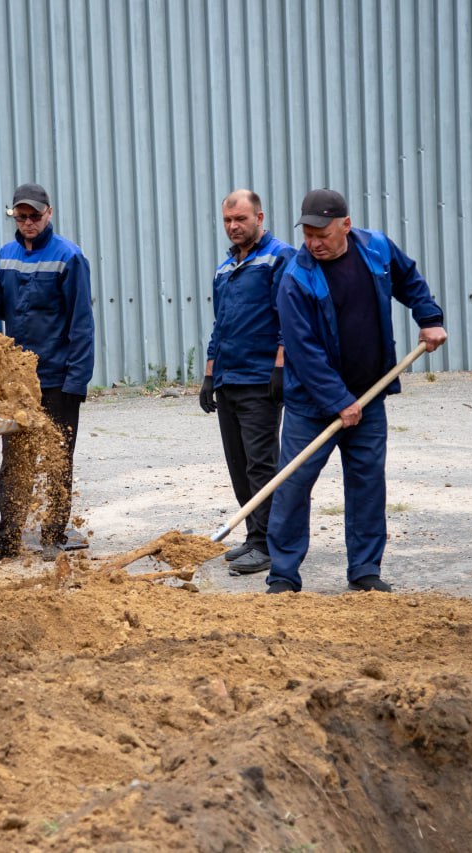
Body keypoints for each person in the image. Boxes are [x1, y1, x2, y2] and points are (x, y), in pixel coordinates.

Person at [265, 188, 447, 594]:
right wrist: (338, 401)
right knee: (294, 484)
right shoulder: (296, 277)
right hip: (312, 405)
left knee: (367, 483)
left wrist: (429, 316)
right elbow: (303, 351)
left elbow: (409, 280)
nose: (313, 243)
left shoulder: (377, 248)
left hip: (369, 394)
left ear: (345, 225)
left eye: (322, 234)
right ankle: (283, 574)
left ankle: (364, 569)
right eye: (308, 234)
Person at [0, 183, 95, 562]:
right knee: (15, 458)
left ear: (49, 213)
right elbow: (9, 312)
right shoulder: (6, 255)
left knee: (57, 457)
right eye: (21, 216)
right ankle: (8, 536)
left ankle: (54, 534)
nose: (28, 222)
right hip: (19, 377)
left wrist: (78, 381)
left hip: (57, 376)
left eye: (34, 216)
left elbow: (82, 324)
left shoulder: (69, 258)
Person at [200, 189, 296, 575]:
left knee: (261, 463)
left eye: (240, 219)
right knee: (238, 464)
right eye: (227, 220)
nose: (233, 226)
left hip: (260, 379)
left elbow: (288, 318)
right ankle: (255, 536)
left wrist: (280, 368)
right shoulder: (226, 268)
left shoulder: (279, 258)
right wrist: (209, 376)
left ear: (260, 217)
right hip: (229, 378)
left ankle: (269, 544)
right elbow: (219, 327)